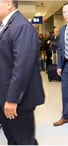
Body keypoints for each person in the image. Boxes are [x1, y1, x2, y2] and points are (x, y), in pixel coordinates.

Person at [0, 0, 45, 144]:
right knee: (14, 139)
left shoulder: (22, 26)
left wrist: (13, 99)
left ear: (8, 4)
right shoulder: (7, 25)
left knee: (23, 141)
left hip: (17, 100)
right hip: (5, 95)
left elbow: (22, 67)